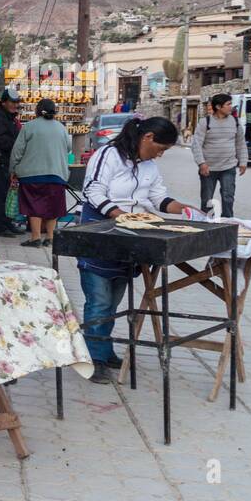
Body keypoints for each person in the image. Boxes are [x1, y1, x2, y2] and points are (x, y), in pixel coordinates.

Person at [78, 116, 194, 384]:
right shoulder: (108, 155)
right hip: (101, 230)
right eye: (161, 148)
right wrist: (119, 215)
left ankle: (103, 349)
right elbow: (92, 190)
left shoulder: (149, 166)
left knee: (115, 295)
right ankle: (94, 357)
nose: (161, 155)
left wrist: (185, 209)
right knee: (99, 298)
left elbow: (157, 197)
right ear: (148, 137)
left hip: (131, 235)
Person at [10, 97, 72, 249]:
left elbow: (17, 151)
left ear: (38, 110)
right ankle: (50, 237)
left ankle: (36, 237)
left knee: (33, 205)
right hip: (57, 174)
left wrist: (13, 170)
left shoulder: (29, 127)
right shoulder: (61, 128)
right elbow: (69, 148)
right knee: (53, 206)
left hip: (31, 175)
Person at [191, 93, 247, 218]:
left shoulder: (235, 122)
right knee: (207, 199)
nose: (231, 107)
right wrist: (202, 163)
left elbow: (240, 143)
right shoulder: (205, 122)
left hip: (228, 166)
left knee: (228, 197)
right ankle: (206, 223)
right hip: (208, 169)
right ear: (218, 106)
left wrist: (243, 162)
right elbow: (196, 145)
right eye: (228, 104)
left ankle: (228, 223)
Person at [0, 88, 23, 237]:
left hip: (7, 162)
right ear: (4, 102)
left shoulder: (9, 118)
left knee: (8, 195)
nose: (14, 105)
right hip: (0, 162)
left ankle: (7, 223)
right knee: (0, 196)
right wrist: (17, 144)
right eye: (11, 102)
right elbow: (0, 140)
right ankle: (1, 227)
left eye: (16, 102)